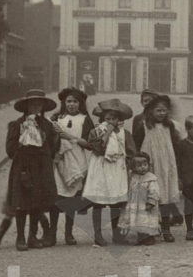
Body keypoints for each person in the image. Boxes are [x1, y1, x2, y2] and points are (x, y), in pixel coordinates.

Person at [0, 89, 60, 251]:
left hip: (42, 168)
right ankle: (20, 237)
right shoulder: (17, 124)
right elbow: (10, 150)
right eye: (32, 104)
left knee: (37, 204)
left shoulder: (47, 125)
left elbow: (53, 149)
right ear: (26, 106)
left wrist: (54, 137)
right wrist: (21, 141)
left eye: (39, 104)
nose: (36, 106)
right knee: (21, 203)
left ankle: (32, 237)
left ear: (43, 106)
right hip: (23, 167)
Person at [82, 99, 135, 246]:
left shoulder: (125, 133)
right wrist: (107, 133)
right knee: (98, 202)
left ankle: (117, 234)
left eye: (114, 118)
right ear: (102, 119)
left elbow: (131, 151)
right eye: (107, 118)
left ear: (119, 120)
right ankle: (98, 235)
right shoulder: (96, 132)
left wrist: (129, 164)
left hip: (117, 168)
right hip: (101, 167)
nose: (111, 121)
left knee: (116, 202)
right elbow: (97, 149)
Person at [48, 87, 95, 246]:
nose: (72, 104)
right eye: (69, 101)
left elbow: (89, 144)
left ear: (80, 103)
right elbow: (49, 140)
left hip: (77, 160)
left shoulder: (84, 119)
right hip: (60, 160)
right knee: (56, 199)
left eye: (75, 101)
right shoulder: (56, 118)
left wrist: (68, 136)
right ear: (64, 103)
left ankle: (68, 233)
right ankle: (52, 234)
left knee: (71, 199)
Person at [137, 94, 182, 243]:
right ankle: (149, 229)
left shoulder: (169, 126)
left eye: (164, 110)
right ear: (150, 111)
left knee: (166, 197)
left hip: (166, 166)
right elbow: (137, 146)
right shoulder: (143, 125)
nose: (162, 113)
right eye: (158, 110)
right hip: (149, 166)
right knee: (149, 198)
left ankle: (166, 229)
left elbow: (175, 146)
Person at [121, 153, 162, 245]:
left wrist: (151, 201)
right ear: (134, 167)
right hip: (135, 204)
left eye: (145, 165)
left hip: (146, 204)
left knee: (148, 220)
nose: (143, 167)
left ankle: (149, 237)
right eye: (139, 166)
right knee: (138, 220)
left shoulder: (151, 178)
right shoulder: (132, 177)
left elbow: (154, 191)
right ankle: (140, 236)